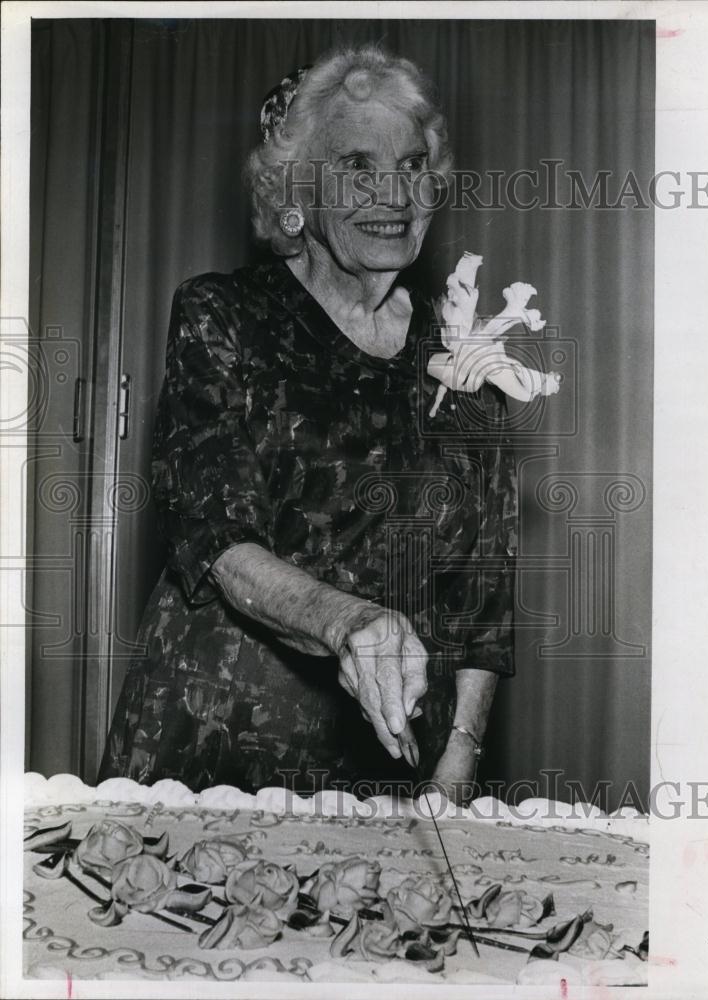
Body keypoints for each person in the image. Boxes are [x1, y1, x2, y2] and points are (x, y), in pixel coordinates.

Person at [98, 44, 518, 803]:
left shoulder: (466, 353)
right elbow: (214, 535)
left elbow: (483, 596)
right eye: (357, 165)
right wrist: (348, 622)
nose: (394, 191)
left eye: (414, 164)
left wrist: (459, 758)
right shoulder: (224, 316)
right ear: (299, 188)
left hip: (387, 768)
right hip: (216, 741)